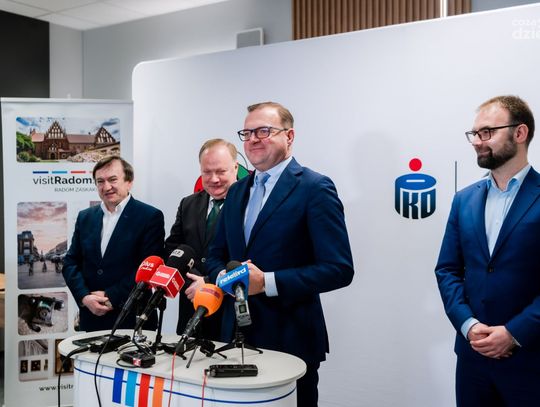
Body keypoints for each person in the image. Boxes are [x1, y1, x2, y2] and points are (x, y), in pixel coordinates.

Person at [202, 102, 354, 406]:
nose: (253, 139)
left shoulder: (314, 188)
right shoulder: (236, 191)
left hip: (290, 339)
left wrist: (267, 282)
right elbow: (216, 254)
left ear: (289, 136)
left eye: (263, 131)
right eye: (247, 133)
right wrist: (225, 278)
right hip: (234, 339)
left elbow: (339, 268)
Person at [435, 95, 540, 405]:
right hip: (473, 360)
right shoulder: (464, 199)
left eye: (487, 132)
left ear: (519, 133)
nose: (477, 142)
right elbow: (447, 270)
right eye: (475, 134)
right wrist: (469, 325)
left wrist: (514, 332)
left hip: (531, 359)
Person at [63, 156, 165, 332]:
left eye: (113, 179)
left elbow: (149, 268)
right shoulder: (85, 217)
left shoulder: (149, 216)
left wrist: (111, 296)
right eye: (100, 181)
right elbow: (70, 262)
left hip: (132, 318)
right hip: (92, 316)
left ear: (129, 182)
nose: (106, 187)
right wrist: (84, 297)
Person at [165, 138, 238, 339]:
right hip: (191, 308)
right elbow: (173, 247)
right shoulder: (188, 204)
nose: (214, 179)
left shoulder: (248, 204)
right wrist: (193, 280)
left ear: (235, 168)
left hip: (229, 314)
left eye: (221, 171)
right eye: (207, 172)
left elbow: (248, 257)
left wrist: (208, 281)